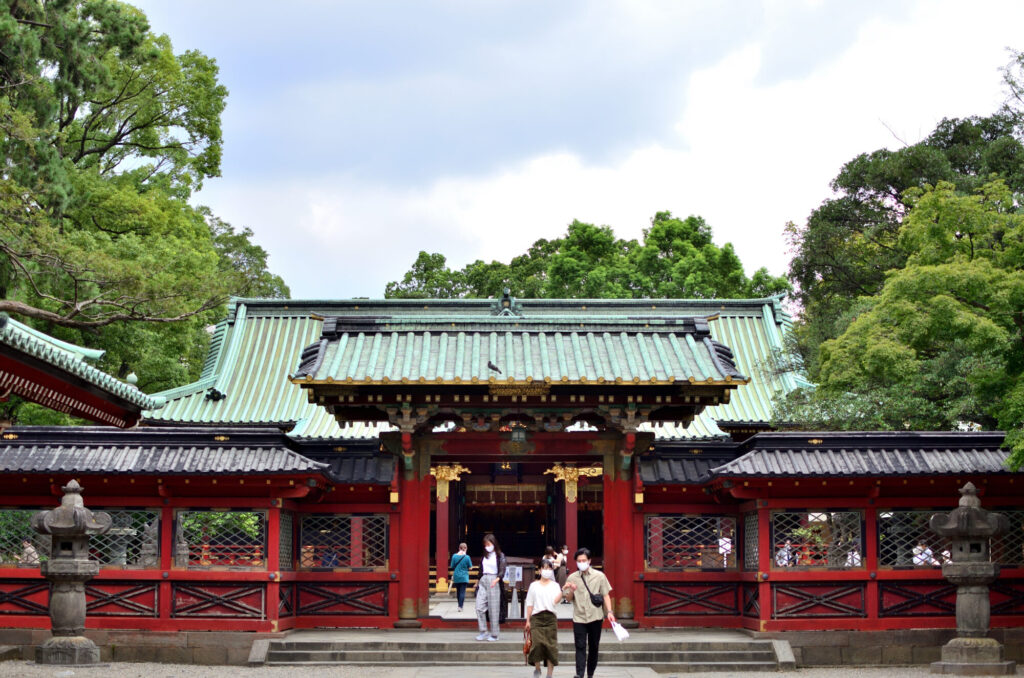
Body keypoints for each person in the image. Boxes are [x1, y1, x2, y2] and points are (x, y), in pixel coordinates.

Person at [562, 547, 614, 678]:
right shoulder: (572, 577)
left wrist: (610, 612)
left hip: (595, 616)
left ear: (589, 560)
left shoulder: (599, 576)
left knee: (593, 647)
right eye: (579, 560)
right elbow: (568, 599)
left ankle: (590, 673)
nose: (581, 562)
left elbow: (606, 595)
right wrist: (571, 590)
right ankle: (579, 674)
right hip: (579, 617)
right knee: (579, 646)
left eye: (584, 560)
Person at [524, 558, 562, 678]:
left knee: (551, 646)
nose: (547, 571)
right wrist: (528, 620)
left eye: (549, 568)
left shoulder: (555, 585)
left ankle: (549, 674)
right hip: (537, 617)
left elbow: (556, 601)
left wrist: (563, 591)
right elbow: (529, 603)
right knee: (537, 644)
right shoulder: (533, 586)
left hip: (550, 617)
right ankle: (537, 668)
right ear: (539, 570)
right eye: (544, 568)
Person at [475, 533, 507, 641]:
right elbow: (480, 570)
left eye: (489, 544)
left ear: (493, 543)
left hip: (494, 579)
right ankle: (483, 631)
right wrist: (477, 581)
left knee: (494, 608)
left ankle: (494, 634)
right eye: (485, 544)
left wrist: (497, 579)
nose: (487, 546)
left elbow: (502, 569)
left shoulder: (500, 555)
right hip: (483, 579)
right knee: (479, 607)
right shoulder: (485, 556)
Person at [449, 542, 472, 612]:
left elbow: (452, 566)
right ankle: (460, 606)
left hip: (456, 575)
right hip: (464, 576)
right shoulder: (467, 557)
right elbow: (470, 567)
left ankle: (459, 605)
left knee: (458, 591)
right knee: (462, 592)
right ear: (466, 549)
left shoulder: (454, 556)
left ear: (459, 548)